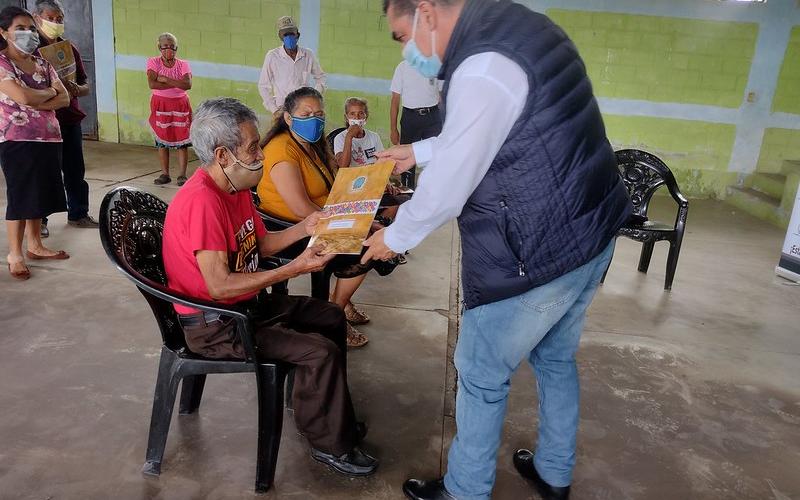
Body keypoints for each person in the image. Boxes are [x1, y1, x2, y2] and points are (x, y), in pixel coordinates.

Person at [365, 1, 633, 499]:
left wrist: (394, 237)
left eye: (402, 36)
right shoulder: (521, 28)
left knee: (482, 373)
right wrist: (417, 151)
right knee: (555, 359)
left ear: (426, 12)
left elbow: (448, 187)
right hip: (589, 235)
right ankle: (555, 473)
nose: (407, 50)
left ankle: (466, 490)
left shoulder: (483, 66)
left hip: (536, 254)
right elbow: (492, 129)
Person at [162, 97, 378, 477]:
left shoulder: (236, 187)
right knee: (320, 352)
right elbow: (219, 286)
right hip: (217, 325)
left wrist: (307, 228)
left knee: (329, 315)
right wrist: (292, 269)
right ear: (223, 156)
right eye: (252, 148)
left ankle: (325, 414)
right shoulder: (202, 203)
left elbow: (260, 244)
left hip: (245, 306)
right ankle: (330, 444)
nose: (260, 154)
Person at [257, 87, 398, 348]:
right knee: (368, 248)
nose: (315, 119)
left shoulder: (310, 145)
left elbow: (337, 181)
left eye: (319, 113)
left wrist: (371, 193)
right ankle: (334, 313)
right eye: (306, 113)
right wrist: (356, 223)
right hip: (294, 230)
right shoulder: (281, 150)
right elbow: (301, 209)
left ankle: (339, 304)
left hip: (321, 218)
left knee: (381, 223)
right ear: (288, 118)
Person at [0, 6, 70, 280]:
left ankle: (35, 245)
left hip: (50, 137)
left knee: (38, 194)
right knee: (20, 196)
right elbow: (23, 97)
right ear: (4, 32)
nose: (28, 34)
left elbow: (64, 98)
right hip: (17, 140)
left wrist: (45, 93)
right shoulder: (3, 64)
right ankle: (14, 254)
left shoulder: (43, 62)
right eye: (20, 28)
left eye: (31, 28)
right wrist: (48, 92)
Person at [33, 0, 97, 238]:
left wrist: (76, 89)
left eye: (60, 19)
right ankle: (40, 220)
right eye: (51, 18)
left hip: (69, 118)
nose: (56, 23)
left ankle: (78, 213)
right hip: (42, 121)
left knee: (74, 169)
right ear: (37, 17)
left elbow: (85, 84)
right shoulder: (29, 51)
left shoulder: (69, 48)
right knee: (45, 172)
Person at [333, 96, 409, 223]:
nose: (357, 118)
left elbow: (382, 164)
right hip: (351, 187)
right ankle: (371, 224)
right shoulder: (340, 138)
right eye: (352, 114)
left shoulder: (374, 137)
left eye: (360, 113)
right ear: (346, 117)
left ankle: (378, 223)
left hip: (373, 184)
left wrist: (386, 183)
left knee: (402, 200)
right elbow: (343, 166)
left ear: (366, 117)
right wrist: (349, 138)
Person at [146, 32, 192, 186]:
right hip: (161, 104)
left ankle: (182, 175)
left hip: (180, 104)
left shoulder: (183, 64)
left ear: (176, 48)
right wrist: (177, 82)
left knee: (182, 141)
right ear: (159, 47)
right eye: (165, 46)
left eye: (172, 47)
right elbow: (152, 84)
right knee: (162, 140)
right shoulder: (153, 62)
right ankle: (165, 174)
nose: (169, 49)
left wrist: (165, 79)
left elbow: (188, 85)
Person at [389, 59, 442, 190]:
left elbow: (441, 96)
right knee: (406, 158)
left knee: (435, 157)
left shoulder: (435, 66)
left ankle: (434, 192)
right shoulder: (402, 67)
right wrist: (393, 129)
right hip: (410, 118)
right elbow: (395, 100)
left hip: (433, 116)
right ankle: (407, 193)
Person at [258, 16, 326, 115]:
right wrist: (275, 110)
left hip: (303, 109)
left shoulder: (308, 55)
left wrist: (315, 95)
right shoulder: (273, 56)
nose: (289, 38)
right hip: (282, 109)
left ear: (297, 35)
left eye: (292, 34)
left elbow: (321, 77)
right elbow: (263, 86)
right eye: (285, 35)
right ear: (280, 36)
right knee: (283, 131)